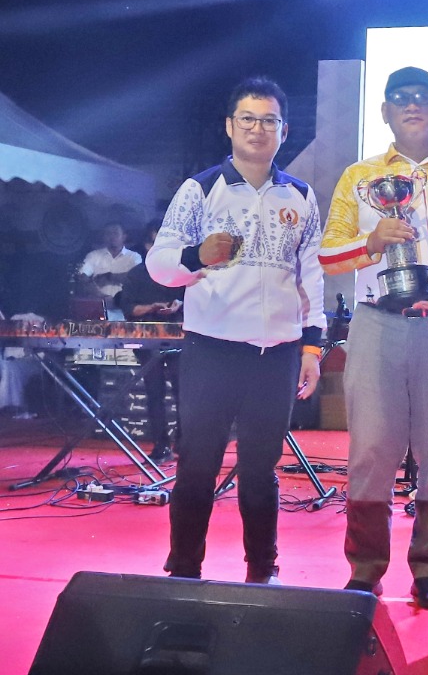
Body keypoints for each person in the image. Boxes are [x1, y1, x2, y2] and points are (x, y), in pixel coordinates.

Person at [148, 76, 325, 584]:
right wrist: (195, 257)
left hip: (278, 352)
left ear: (284, 131)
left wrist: (311, 347)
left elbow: (311, 274)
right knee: (197, 464)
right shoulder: (201, 189)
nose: (257, 128)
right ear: (229, 126)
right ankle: (184, 568)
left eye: (269, 120)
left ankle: (262, 570)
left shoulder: (301, 195)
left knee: (261, 470)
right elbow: (158, 264)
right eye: (248, 118)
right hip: (212, 349)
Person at [319, 66, 428, 609]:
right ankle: (365, 568)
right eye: (400, 98)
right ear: (384, 112)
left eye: (422, 97)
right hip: (376, 321)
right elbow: (328, 254)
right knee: (371, 450)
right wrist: (372, 242)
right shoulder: (361, 176)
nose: (412, 105)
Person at [117, 221, 184, 461]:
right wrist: (151, 307)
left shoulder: (179, 271)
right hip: (148, 339)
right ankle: (160, 444)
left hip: (178, 337)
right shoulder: (136, 274)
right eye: (156, 243)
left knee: (182, 392)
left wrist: (178, 304)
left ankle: (183, 442)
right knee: (154, 392)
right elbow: (128, 308)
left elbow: (191, 298)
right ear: (147, 245)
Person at [79, 222, 141, 303]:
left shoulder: (134, 257)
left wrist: (109, 276)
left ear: (124, 237)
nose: (112, 237)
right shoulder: (93, 255)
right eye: (108, 233)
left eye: (115, 233)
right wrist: (97, 293)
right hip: (99, 304)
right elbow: (82, 275)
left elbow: (137, 278)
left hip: (128, 305)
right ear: (103, 237)